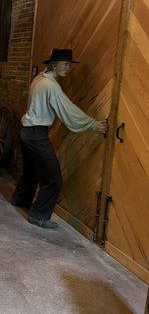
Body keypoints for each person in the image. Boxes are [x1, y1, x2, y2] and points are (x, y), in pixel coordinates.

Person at [11, 48, 108, 229]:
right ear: (54, 65)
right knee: (53, 177)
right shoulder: (51, 86)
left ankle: (20, 199)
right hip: (36, 134)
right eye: (65, 64)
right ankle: (39, 215)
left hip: (26, 131)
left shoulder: (39, 79)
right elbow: (68, 110)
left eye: (69, 65)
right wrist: (93, 124)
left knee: (31, 171)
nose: (68, 68)